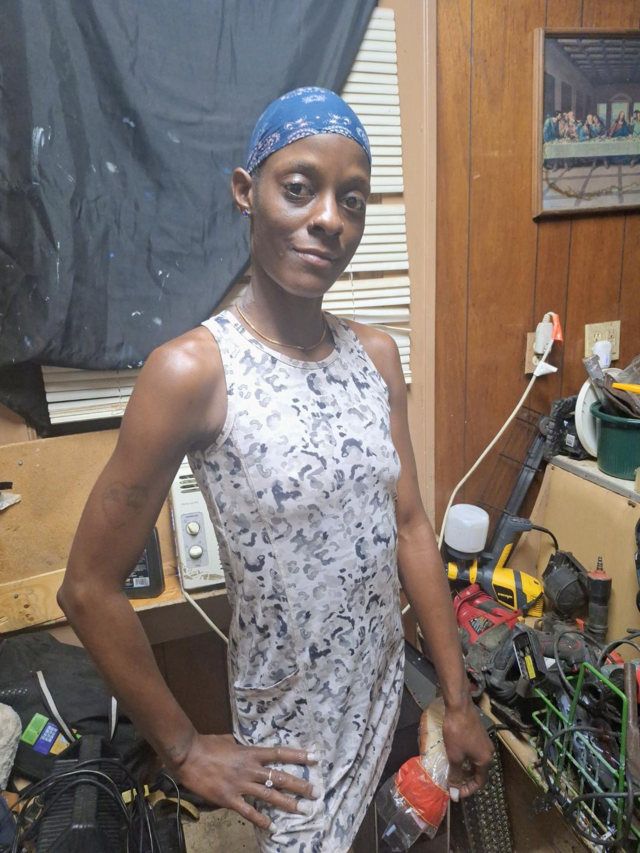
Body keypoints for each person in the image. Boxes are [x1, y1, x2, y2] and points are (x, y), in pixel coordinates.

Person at [58, 87, 493, 853]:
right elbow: (89, 588)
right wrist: (183, 748)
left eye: (351, 200)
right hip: (292, 742)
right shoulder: (193, 372)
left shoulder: (376, 358)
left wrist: (455, 701)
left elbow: (410, 526)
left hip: (385, 692)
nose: (329, 217)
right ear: (245, 191)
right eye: (299, 188)